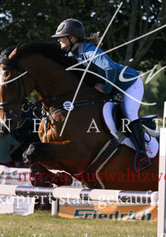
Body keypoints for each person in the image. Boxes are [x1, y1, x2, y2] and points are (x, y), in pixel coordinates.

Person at [51, 18, 150, 171]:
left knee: (130, 113)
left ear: (71, 38)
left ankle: (142, 155)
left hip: (130, 84)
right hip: (114, 86)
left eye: (61, 37)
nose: (58, 40)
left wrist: (106, 89)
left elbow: (110, 68)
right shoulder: (73, 55)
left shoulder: (89, 51)